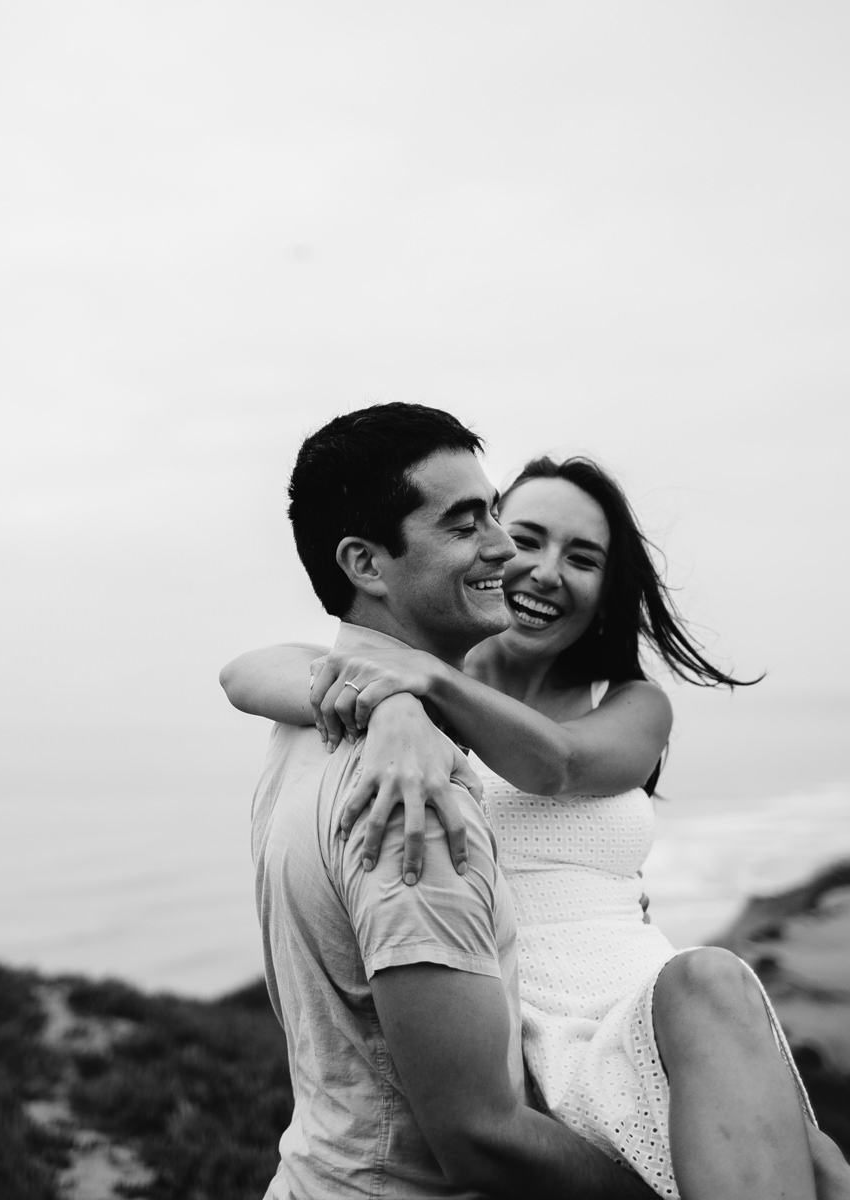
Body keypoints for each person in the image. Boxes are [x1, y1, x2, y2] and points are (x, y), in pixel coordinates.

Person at [224, 441, 850, 1200]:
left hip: (643, 997)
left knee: (825, 1167)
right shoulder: (424, 671)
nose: (542, 569)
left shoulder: (630, 704)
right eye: (524, 536)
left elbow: (559, 766)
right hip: (516, 1009)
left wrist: (422, 688)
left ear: (608, 586)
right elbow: (244, 672)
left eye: (583, 557)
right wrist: (394, 704)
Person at [243, 402, 656, 1199]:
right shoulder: (413, 797)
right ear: (366, 565)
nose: (504, 548)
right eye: (467, 524)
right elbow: (481, 1139)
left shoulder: (305, 729)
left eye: (494, 513)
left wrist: (404, 698)